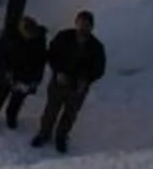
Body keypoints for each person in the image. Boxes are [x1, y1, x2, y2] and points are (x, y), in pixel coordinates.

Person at [34, 10, 107, 153]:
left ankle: (61, 137)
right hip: (59, 82)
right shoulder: (63, 37)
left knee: (70, 114)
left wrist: (86, 80)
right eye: (79, 23)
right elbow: (51, 54)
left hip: (78, 88)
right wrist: (58, 71)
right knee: (51, 110)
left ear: (91, 27)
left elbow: (99, 69)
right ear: (75, 23)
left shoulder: (97, 47)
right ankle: (44, 133)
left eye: (86, 24)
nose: (82, 27)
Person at [0, 11, 47, 132]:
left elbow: (41, 61)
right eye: (27, 34)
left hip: (25, 76)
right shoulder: (9, 35)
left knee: (17, 99)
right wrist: (6, 70)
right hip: (8, 73)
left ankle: (11, 116)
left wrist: (35, 79)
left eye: (31, 35)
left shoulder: (39, 40)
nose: (28, 37)